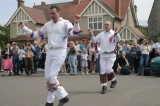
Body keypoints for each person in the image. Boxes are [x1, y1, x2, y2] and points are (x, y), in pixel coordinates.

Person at [18, 5, 81, 106]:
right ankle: (51, 102)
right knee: (48, 77)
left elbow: (74, 33)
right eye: (50, 13)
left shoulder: (65, 23)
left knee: (52, 76)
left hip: (60, 50)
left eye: (53, 13)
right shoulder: (48, 24)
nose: (52, 15)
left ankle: (63, 97)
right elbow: (37, 34)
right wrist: (24, 27)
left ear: (58, 12)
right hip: (50, 51)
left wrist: (77, 23)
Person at [88, 21, 121, 94]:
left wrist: (116, 33)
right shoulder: (101, 34)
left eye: (107, 24)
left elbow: (118, 40)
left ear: (111, 25)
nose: (106, 26)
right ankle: (104, 86)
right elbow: (95, 41)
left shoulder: (114, 33)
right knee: (102, 70)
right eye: (105, 25)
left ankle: (114, 79)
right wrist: (91, 34)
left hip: (111, 54)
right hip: (103, 54)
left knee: (108, 69)